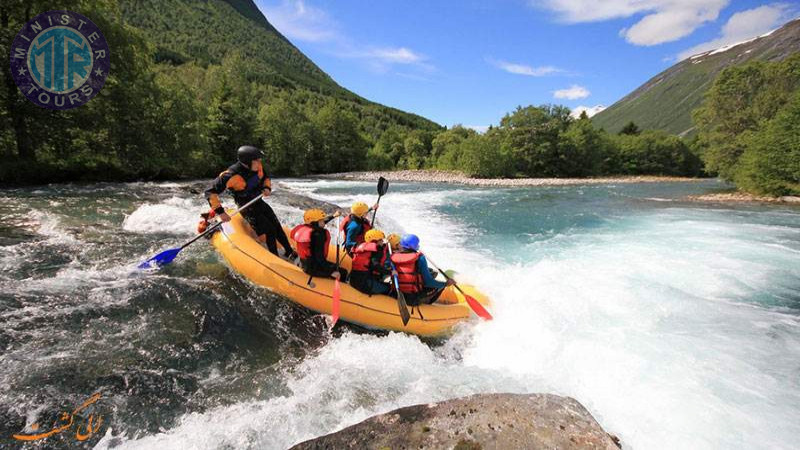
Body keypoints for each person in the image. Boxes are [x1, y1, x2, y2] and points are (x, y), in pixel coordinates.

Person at [205, 145, 296, 259]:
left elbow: (266, 178)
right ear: (247, 162)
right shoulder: (230, 175)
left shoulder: (257, 166)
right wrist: (221, 212)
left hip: (258, 201)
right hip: (246, 207)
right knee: (270, 230)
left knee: (276, 225)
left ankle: (289, 251)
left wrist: (267, 188)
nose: (259, 162)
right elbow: (210, 192)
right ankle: (275, 257)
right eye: (257, 160)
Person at [389, 234, 454, 305]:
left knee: (431, 273)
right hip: (412, 297)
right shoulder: (420, 258)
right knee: (439, 287)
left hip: (396, 293)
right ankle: (427, 304)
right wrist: (445, 284)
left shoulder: (393, 256)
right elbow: (429, 282)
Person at [290, 209, 346, 280]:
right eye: (321, 220)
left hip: (305, 263)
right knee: (343, 272)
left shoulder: (311, 228)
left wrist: (333, 216)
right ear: (315, 222)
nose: (324, 222)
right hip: (313, 269)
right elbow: (319, 258)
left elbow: (321, 223)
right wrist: (330, 272)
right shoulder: (318, 236)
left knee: (336, 267)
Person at [349, 229, 391, 295]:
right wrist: (390, 272)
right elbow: (375, 265)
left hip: (353, 280)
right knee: (388, 288)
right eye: (381, 240)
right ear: (375, 240)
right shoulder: (376, 249)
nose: (382, 242)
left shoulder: (360, 247)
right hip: (364, 284)